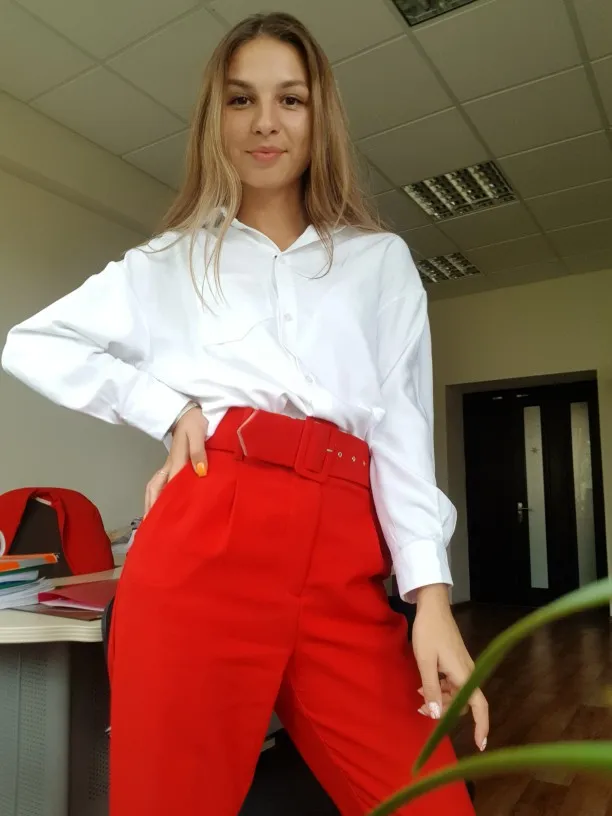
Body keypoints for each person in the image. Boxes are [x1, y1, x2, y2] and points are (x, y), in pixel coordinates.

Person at [1, 12, 487, 816]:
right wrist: (166, 408)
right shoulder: (170, 261)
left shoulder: (379, 263)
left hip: (344, 555)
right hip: (207, 537)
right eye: (241, 100)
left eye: (290, 100)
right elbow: (31, 342)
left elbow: (401, 430)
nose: (266, 121)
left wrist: (431, 596)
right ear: (214, 120)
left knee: (427, 800)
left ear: (319, 118)